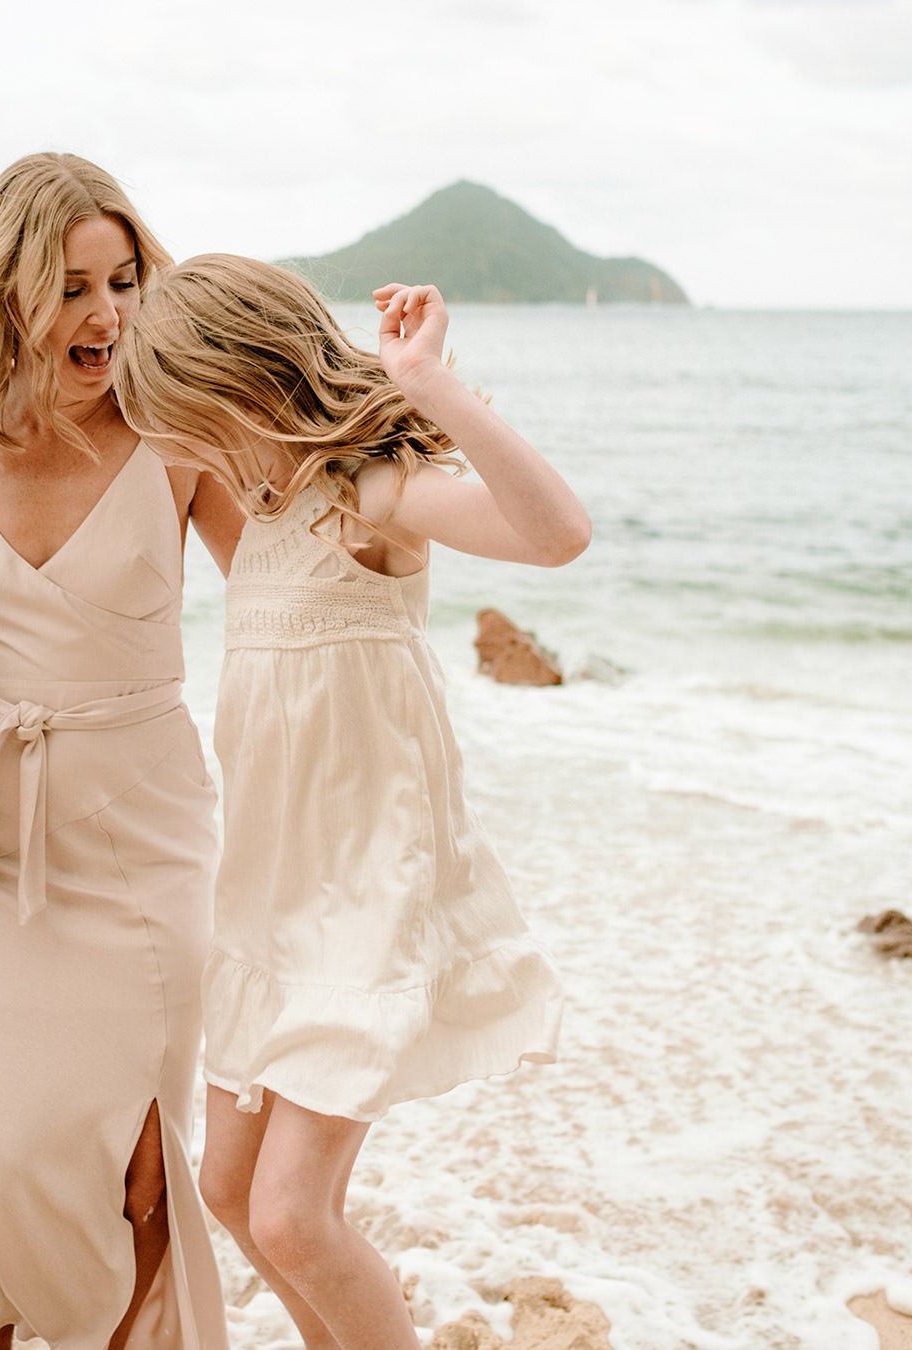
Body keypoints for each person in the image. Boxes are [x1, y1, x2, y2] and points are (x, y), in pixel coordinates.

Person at [112, 255, 585, 1350]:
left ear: (238, 384)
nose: (176, 445)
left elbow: (556, 535)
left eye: (184, 414)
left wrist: (429, 385)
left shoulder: (367, 494)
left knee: (289, 1213)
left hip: (368, 896)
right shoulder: (262, 514)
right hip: (272, 903)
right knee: (232, 1198)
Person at [0, 153, 245, 1350]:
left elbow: (284, 612)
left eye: (124, 279)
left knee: (140, 1167)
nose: (106, 314)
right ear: (6, 295)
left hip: (146, 838)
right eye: (71, 287)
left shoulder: (181, 433)